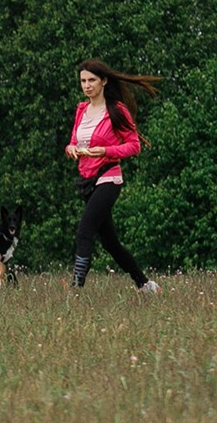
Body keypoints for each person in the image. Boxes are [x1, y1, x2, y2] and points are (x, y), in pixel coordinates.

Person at [68, 60, 160, 294]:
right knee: (111, 243)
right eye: (83, 81)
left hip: (109, 177)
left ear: (104, 81)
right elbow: (74, 141)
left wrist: (106, 151)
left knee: (84, 231)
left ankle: (76, 289)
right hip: (87, 180)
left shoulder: (117, 110)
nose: (87, 86)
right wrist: (70, 148)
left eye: (91, 80)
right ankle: (145, 284)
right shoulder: (81, 109)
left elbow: (134, 146)